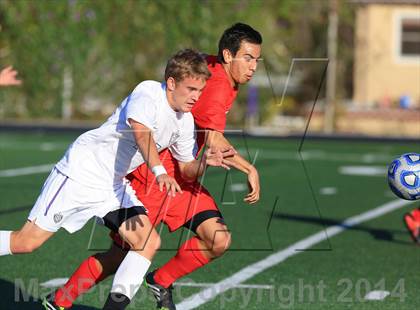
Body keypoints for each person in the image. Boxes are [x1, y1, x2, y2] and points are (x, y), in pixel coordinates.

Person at [47, 23, 262, 310]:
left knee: (218, 239)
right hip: (153, 178)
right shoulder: (219, 86)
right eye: (247, 57)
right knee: (120, 255)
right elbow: (213, 140)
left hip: (183, 177)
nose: (253, 66)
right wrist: (249, 168)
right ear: (227, 55)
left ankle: (160, 281)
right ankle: (60, 300)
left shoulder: (214, 68)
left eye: (257, 59)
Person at [0, 49, 233, 310]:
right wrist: (159, 172)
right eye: (190, 89)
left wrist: (203, 162)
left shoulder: (185, 120)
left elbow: (187, 168)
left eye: (200, 91)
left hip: (112, 184)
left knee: (146, 241)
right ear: (171, 83)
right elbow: (141, 133)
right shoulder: (148, 92)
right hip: (80, 172)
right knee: (26, 243)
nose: (195, 97)